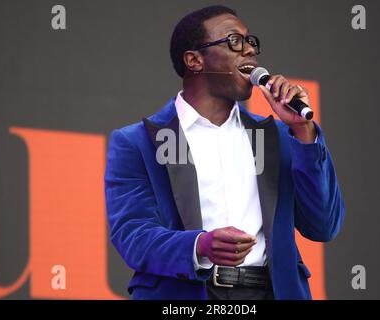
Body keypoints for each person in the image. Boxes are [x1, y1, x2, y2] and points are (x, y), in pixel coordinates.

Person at [105, 5, 345, 300]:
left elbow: (324, 224)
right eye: (234, 41)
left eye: (250, 42)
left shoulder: (281, 137)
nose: (249, 51)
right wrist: (200, 246)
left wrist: (304, 132)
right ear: (194, 61)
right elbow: (133, 236)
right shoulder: (139, 141)